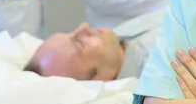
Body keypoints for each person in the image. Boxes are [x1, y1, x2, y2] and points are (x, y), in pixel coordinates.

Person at [24, 21, 153, 81]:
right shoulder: (159, 73)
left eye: (71, 33)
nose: (84, 27)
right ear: (100, 79)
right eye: (80, 44)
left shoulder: (120, 34)